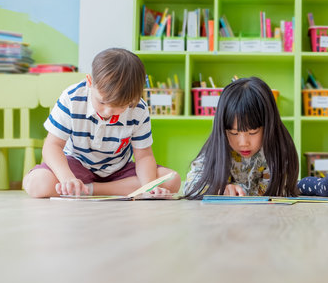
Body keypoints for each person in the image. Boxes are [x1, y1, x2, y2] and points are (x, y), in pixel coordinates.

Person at [23, 48, 181, 198]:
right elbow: (52, 145)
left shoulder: (138, 108)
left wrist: (148, 187)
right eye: (102, 102)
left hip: (118, 171)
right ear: (90, 82)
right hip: (77, 166)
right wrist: (67, 179)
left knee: (172, 179)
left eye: (120, 106)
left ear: (133, 98)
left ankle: (89, 189)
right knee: (37, 183)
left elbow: (144, 156)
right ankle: (81, 187)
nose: (107, 112)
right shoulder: (72, 98)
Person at [183, 77, 299, 198]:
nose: (243, 143)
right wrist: (220, 189)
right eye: (233, 133)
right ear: (222, 129)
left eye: (253, 132)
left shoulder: (278, 150)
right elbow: (191, 187)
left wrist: (239, 191)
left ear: (269, 125)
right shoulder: (217, 147)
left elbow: (275, 191)